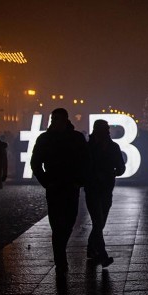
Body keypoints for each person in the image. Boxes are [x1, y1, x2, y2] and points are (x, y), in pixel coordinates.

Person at [30, 108, 90, 276]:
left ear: (65, 120)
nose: (54, 121)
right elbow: (35, 163)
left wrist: (80, 181)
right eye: (53, 119)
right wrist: (46, 182)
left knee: (69, 221)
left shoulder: (76, 138)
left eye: (57, 119)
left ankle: (60, 251)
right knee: (57, 224)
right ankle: (60, 258)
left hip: (70, 186)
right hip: (55, 186)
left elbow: (86, 162)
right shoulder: (45, 139)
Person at [85, 119, 126, 268]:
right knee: (98, 222)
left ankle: (90, 248)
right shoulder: (90, 147)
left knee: (99, 223)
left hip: (105, 189)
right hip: (94, 189)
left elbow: (121, 168)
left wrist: (113, 173)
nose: (107, 132)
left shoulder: (91, 147)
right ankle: (102, 255)